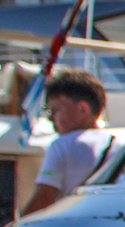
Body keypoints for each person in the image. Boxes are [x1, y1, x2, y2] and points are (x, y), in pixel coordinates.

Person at [23, 68, 113, 214]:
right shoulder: (121, 145)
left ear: (82, 109)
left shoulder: (62, 145)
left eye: (55, 111)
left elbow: (42, 200)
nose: (51, 119)